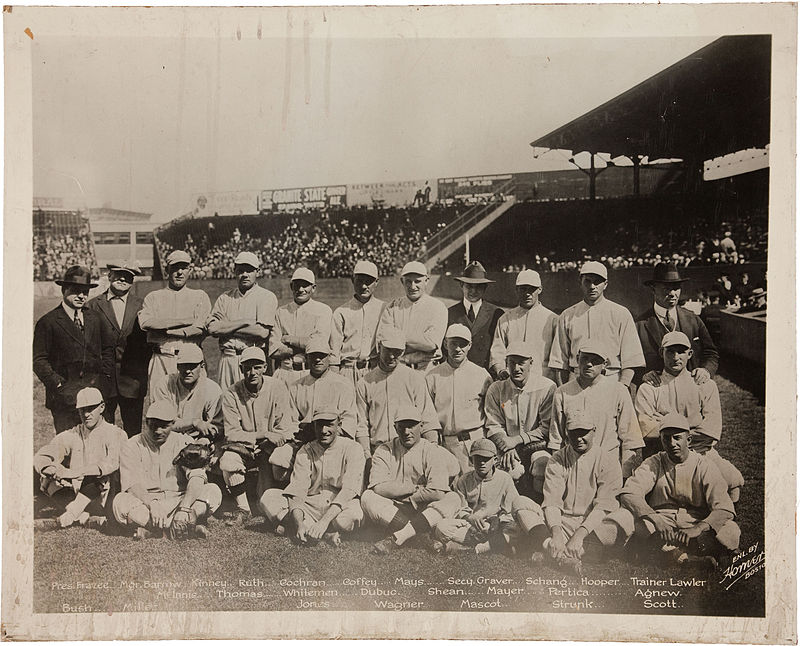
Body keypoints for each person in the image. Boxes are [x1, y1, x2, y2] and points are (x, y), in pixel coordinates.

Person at [613, 412, 740, 567]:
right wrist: (656, 519)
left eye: (677, 438)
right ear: (661, 440)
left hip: (696, 520)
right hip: (662, 523)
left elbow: (724, 508)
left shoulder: (704, 465)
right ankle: (686, 558)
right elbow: (629, 494)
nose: (672, 443)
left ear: (689, 440)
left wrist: (698, 528)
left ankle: (672, 553)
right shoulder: (654, 462)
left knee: (730, 530)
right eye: (666, 438)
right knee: (633, 523)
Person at [634, 331, 743, 500]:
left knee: (730, 484)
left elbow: (711, 430)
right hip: (663, 455)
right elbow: (646, 431)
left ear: (690, 353)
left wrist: (663, 423)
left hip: (700, 452)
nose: (676, 357)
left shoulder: (704, 385)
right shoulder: (649, 387)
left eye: (681, 351)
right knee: (651, 495)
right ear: (661, 353)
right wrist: (691, 428)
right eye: (670, 351)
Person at [112, 400, 222, 540]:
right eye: (153, 426)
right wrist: (153, 504)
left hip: (179, 500)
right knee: (120, 502)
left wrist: (184, 508)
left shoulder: (183, 442)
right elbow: (132, 484)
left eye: (163, 426)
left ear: (173, 424)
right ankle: (185, 527)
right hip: (148, 504)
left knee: (212, 490)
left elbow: (197, 477)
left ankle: (156, 531)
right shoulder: (133, 444)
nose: (158, 431)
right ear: (146, 423)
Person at [361, 405, 460, 555]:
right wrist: (412, 489)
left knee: (452, 498)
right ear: (395, 428)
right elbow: (378, 488)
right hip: (396, 508)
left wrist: (406, 495)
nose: (406, 432)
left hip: (425, 507)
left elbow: (438, 493)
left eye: (411, 426)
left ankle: (399, 536)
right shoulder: (384, 450)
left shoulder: (432, 450)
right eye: (402, 427)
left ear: (421, 426)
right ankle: (422, 536)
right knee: (368, 497)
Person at [259, 410, 366, 546]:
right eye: (319, 425)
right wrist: (298, 523)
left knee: (352, 516)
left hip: (339, 505)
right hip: (311, 504)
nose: (324, 430)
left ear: (339, 425)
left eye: (329, 425)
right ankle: (324, 534)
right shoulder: (306, 450)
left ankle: (311, 530)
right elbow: (297, 491)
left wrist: (324, 522)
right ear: (314, 426)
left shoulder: (353, 448)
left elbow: (348, 491)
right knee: (268, 498)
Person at [540, 409, 625, 575]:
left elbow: (604, 506)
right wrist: (556, 533)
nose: (578, 438)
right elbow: (552, 501)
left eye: (583, 432)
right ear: (566, 432)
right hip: (562, 522)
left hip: (594, 526)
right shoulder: (557, 459)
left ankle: (556, 553)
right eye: (573, 433)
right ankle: (568, 556)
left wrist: (579, 536)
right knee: (523, 505)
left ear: (594, 431)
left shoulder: (608, 460)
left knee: (623, 519)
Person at [431, 438, 548, 556]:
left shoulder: (504, 478)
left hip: (496, 527)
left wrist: (496, 521)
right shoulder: (464, 480)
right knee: (442, 527)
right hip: (471, 526)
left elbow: (511, 509)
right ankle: (494, 545)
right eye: (477, 459)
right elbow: (460, 508)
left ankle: (472, 549)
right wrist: (470, 517)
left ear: (495, 460)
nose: (482, 462)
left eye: (486, 459)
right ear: (471, 460)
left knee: (516, 529)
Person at [33, 265, 115, 432]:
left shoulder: (96, 318)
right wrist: (58, 384)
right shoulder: (48, 322)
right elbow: (39, 360)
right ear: (64, 290)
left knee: (96, 447)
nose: (81, 296)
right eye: (76, 290)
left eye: (85, 291)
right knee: (68, 448)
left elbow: (108, 350)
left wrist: (103, 379)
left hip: (95, 395)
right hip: (65, 398)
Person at [220, 347, 296, 525]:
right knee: (228, 461)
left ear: (264, 368)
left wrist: (267, 440)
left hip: (271, 446)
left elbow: (284, 426)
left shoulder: (277, 387)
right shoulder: (231, 393)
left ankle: (284, 497)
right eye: (247, 368)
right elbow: (231, 433)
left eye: (257, 367)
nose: (252, 372)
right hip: (246, 447)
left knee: (278, 465)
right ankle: (243, 509)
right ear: (241, 369)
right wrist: (262, 435)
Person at [33, 387, 127, 531]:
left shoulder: (116, 433)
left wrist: (71, 473)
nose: (86, 414)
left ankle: (65, 518)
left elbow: (111, 464)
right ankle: (83, 516)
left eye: (91, 409)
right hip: (78, 496)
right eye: (82, 410)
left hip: (103, 494)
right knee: (43, 475)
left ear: (101, 407)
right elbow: (49, 450)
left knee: (95, 475)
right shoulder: (75, 433)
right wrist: (48, 467)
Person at [550, 341, 644, 478]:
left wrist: (624, 476)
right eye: (585, 359)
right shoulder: (562, 392)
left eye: (595, 361)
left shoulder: (618, 391)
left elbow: (630, 438)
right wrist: (559, 473)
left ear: (605, 364)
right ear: (577, 359)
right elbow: (556, 439)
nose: (589, 364)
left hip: (608, 465)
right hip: (573, 467)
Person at [548, 261, 644, 386]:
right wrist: (563, 389)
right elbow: (559, 361)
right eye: (587, 281)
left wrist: (622, 387)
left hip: (610, 378)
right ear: (580, 283)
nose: (592, 286)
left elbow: (631, 358)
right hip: (577, 379)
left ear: (605, 284)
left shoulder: (620, 313)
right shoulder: (567, 315)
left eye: (597, 281)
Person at [484, 341, 556, 499]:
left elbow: (546, 428)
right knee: (509, 472)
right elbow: (493, 426)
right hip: (507, 449)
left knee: (543, 467)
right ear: (506, 363)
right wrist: (507, 447)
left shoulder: (547, 387)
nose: (516, 368)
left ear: (531, 362)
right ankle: (509, 514)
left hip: (538, 447)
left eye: (521, 363)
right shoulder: (496, 389)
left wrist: (516, 440)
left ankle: (542, 506)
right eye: (512, 363)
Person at [86, 261, 151, 437]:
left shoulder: (142, 305)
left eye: (128, 276)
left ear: (132, 281)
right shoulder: (93, 305)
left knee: (133, 429)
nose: (123, 279)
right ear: (109, 276)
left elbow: (148, 342)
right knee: (103, 429)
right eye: (118, 274)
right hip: (102, 378)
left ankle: (131, 462)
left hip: (132, 378)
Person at [138, 250, 211, 401]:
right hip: (162, 357)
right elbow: (146, 323)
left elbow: (200, 328)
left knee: (193, 409)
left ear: (189, 270)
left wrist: (163, 329)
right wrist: (185, 320)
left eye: (183, 268)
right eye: (175, 268)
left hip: (191, 360)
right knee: (160, 409)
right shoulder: (153, 297)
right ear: (167, 270)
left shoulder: (200, 296)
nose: (179, 272)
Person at [355, 327, 440, 457]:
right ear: (379, 347)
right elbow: (361, 425)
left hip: (410, 451)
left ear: (403, 351)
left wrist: (432, 449)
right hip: (379, 452)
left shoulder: (414, 379)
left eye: (397, 352)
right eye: (388, 350)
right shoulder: (364, 383)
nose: (391, 356)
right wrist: (367, 454)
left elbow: (428, 418)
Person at [634, 262, 718, 387]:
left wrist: (705, 370)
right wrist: (643, 374)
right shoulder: (639, 325)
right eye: (666, 288)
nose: (673, 293)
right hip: (656, 394)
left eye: (676, 287)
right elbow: (629, 362)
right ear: (653, 289)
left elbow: (711, 353)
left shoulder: (693, 319)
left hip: (692, 391)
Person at [206, 251, 278, 392]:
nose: (245, 274)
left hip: (253, 359)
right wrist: (244, 322)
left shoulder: (266, 297)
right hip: (228, 358)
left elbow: (261, 332)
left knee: (255, 403)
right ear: (234, 272)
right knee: (226, 404)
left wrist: (227, 327)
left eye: (249, 270)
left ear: (257, 271)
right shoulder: (225, 298)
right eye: (240, 271)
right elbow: (213, 329)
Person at [426, 324, 493, 473]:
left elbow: (491, 414)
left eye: (462, 344)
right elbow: (427, 414)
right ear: (445, 344)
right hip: (445, 444)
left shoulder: (481, 375)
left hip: (474, 442)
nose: (457, 349)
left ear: (469, 345)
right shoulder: (432, 376)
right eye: (453, 343)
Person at [378, 261, 447, 371]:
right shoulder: (392, 306)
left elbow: (431, 343)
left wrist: (397, 339)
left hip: (427, 369)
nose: (412, 286)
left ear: (426, 281)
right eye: (408, 281)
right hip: (399, 369)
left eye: (417, 281)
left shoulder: (438, 307)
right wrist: (419, 341)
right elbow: (385, 340)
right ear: (402, 281)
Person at [489, 269, 557, 380]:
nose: (527, 293)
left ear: (540, 289)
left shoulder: (552, 319)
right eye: (523, 289)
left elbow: (557, 357)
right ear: (517, 290)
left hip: (542, 379)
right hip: (512, 379)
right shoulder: (506, 319)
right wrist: (501, 370)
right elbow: (497, 351)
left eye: (532, 289)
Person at [270, 267, 333, 385]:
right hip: (284, 373)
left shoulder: (323, 310)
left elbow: (319, 344)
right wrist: (305, 344)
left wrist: (289, 339)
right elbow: (274, 350)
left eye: (305, 285)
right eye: (297, 285)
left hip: (310, 372)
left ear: (313, 288)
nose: (300, 289)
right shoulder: (281, 312)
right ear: (291, 286)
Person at [149, 344, 223, 440]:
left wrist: (204, 441)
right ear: (177, 366)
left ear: (202, 366)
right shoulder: (164, 384)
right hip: (169, 438)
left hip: (200, 440)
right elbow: (163, 423)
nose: (187, 371)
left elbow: (214, 427)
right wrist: (194, 422)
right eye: (183, 365)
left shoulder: (212, 389)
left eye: (192, 366)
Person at [289, 339, 357, 440]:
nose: (317, 360)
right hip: (304, 441)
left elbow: (348, 420)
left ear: (329, 357)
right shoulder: (296, 387)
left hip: (335, 441)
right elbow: (291, 421)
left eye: (321, 356)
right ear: (306, 358)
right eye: (313, 355)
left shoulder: (343, 384)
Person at [331, 260, 385, 387]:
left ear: (376, 282)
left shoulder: (384, 308)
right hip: (348, 370)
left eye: (369, 281)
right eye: (360, 280)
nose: (364, 286)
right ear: (352, 280)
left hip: (374, 369)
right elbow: (334, 352)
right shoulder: (341, 312)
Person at [446, 261, 503, 373]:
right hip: (456, 375)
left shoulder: (496, 314)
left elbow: (500, 350)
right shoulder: (449, 313)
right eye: (469, 286)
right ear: (461, 285)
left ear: (485, 287)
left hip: (486, 376)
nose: (473, 291)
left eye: (478, 287)